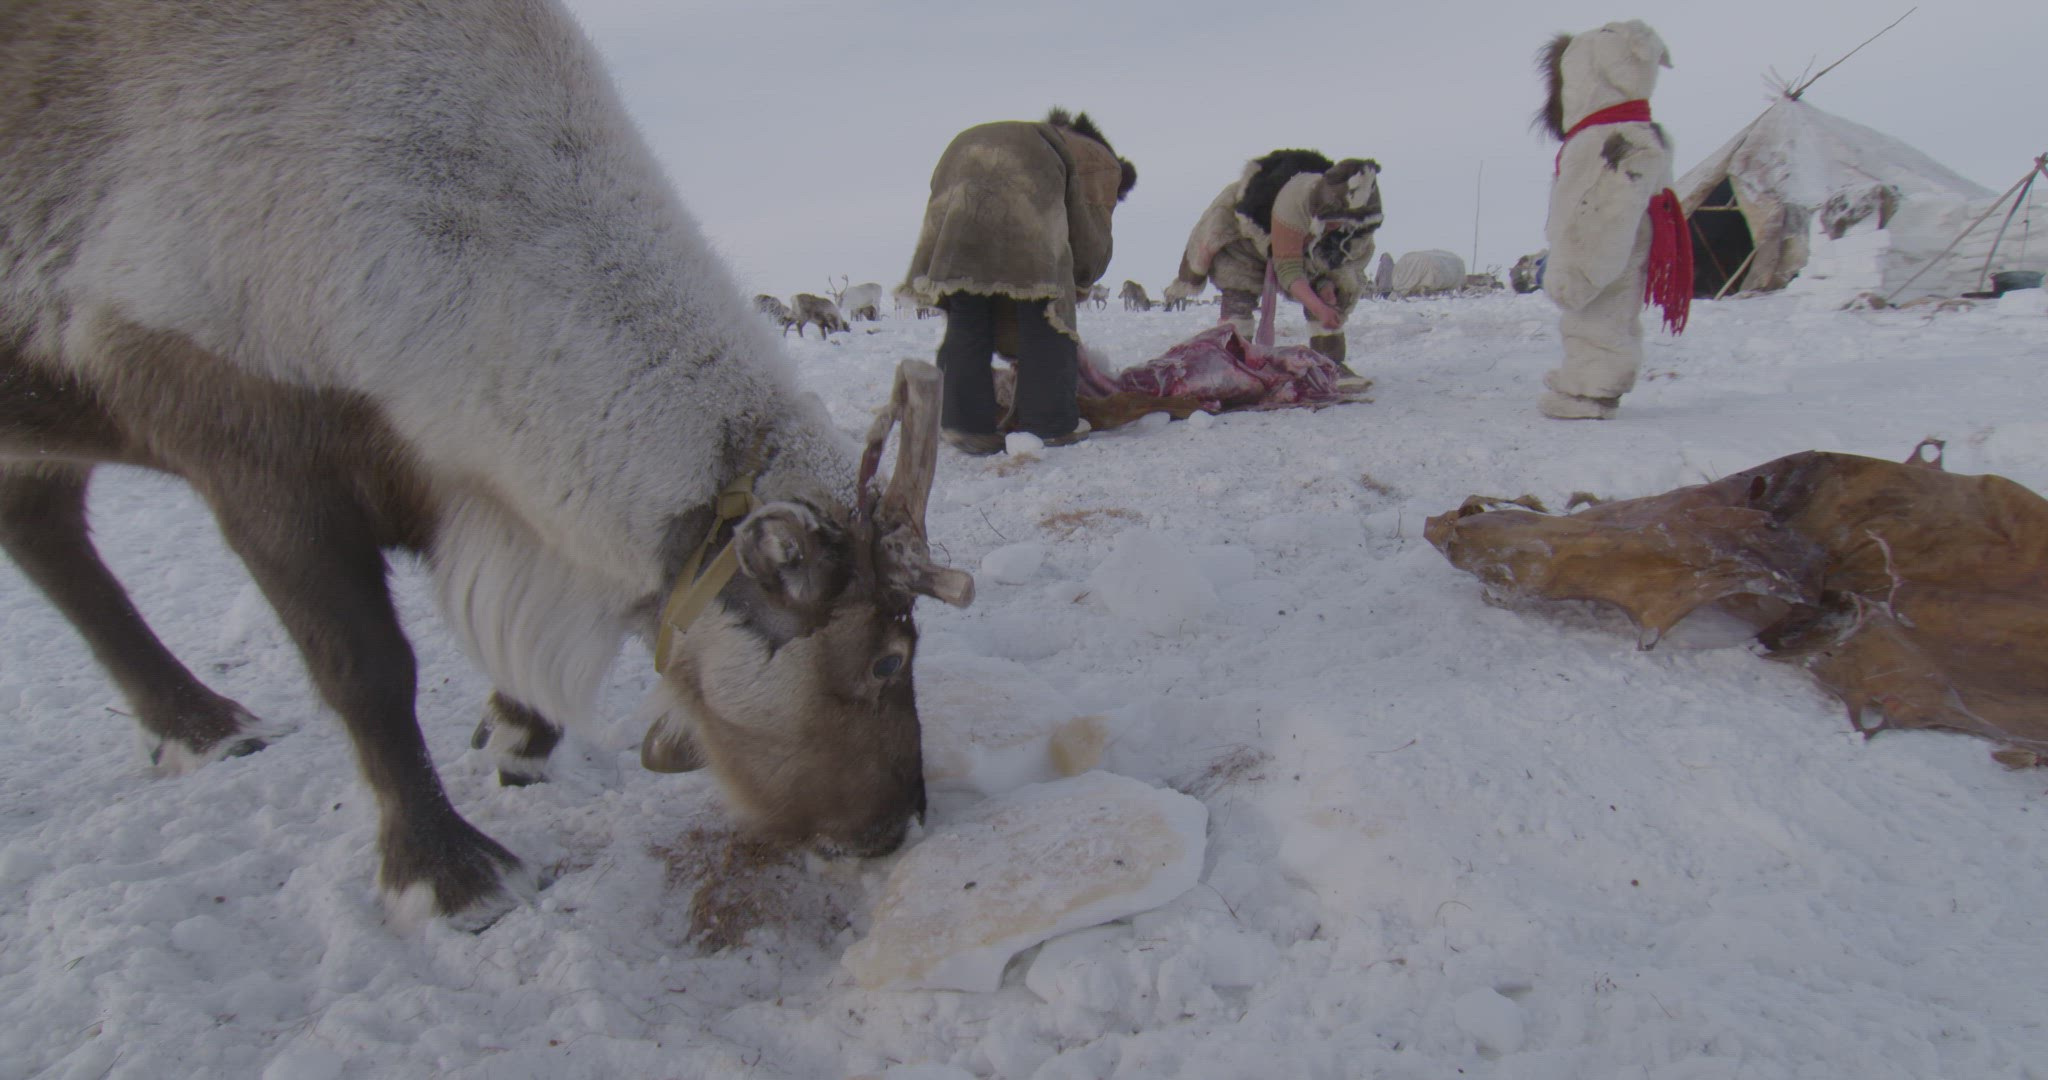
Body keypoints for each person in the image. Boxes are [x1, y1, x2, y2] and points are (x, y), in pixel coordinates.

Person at [902, 108, 1136, 455]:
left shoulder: (1043, 134)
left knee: (968, 304)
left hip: (958, 166)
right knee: (1043, 306)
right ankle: (1050, 424)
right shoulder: (1100, 160)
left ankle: (964, 425)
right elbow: (1089, 234)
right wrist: (1081, 275)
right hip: (1024, 201)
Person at [1534, 20, 1688, 420]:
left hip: (1606, 245)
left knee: (1598, 304)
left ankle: (1592, 387)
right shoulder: (1638, 132)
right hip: (1631, 238)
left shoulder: (1608, 141)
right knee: (1614, 307)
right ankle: (1592, 377)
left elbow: (1601, 213)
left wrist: (1572, 270)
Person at [1162, 151, 1383, 373]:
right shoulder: (1295, 201)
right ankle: (1233, 367)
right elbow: (1288, 269)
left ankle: (1329, 364)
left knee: (1331, 293)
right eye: (1334, 220)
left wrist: (1326, 288)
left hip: (1309, 251)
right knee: (1239, 295)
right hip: (1246, 246)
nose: (1338, 226)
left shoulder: (1360, 218)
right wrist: (1317, 306)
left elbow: (1348, 260)